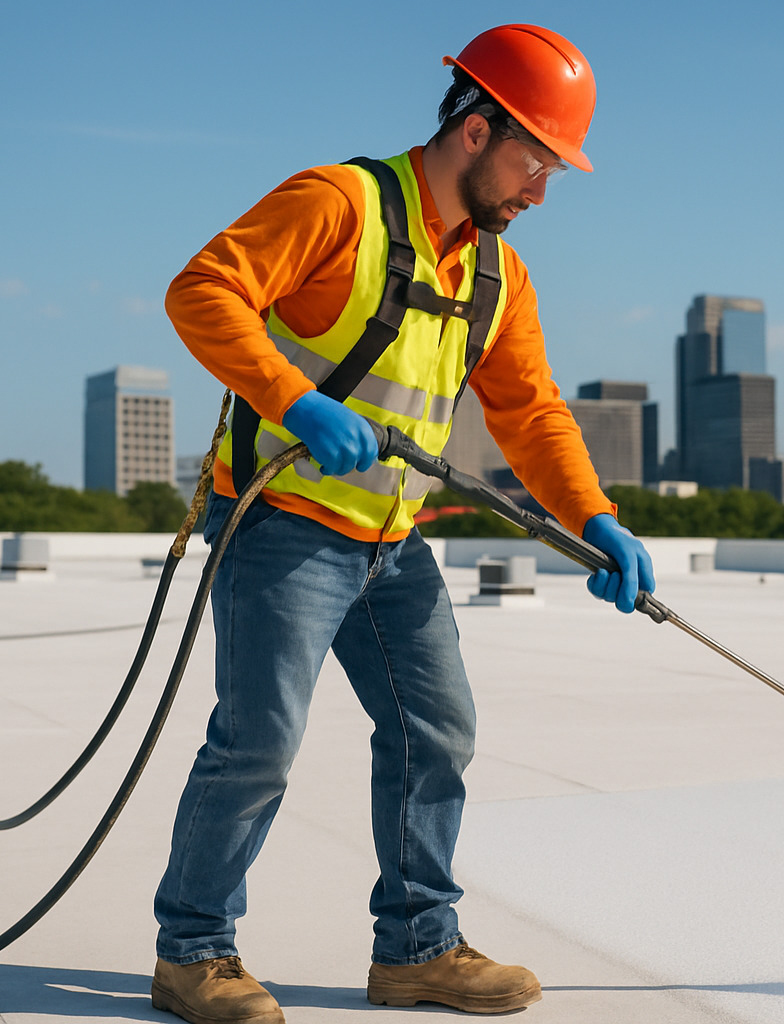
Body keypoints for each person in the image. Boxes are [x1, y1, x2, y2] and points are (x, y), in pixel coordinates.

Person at [151, 24, 654, 1023]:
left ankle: (417, 948)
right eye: (535, 161)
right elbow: (202, 289)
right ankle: (192, 951)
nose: (541, 191)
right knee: (259, 741)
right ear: (476, 128)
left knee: (438, 730)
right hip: (282, 524)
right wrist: (295, 400)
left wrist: (594, 517)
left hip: (392, 541)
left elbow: (533, 410)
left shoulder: (496, 275)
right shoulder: (340, 204)